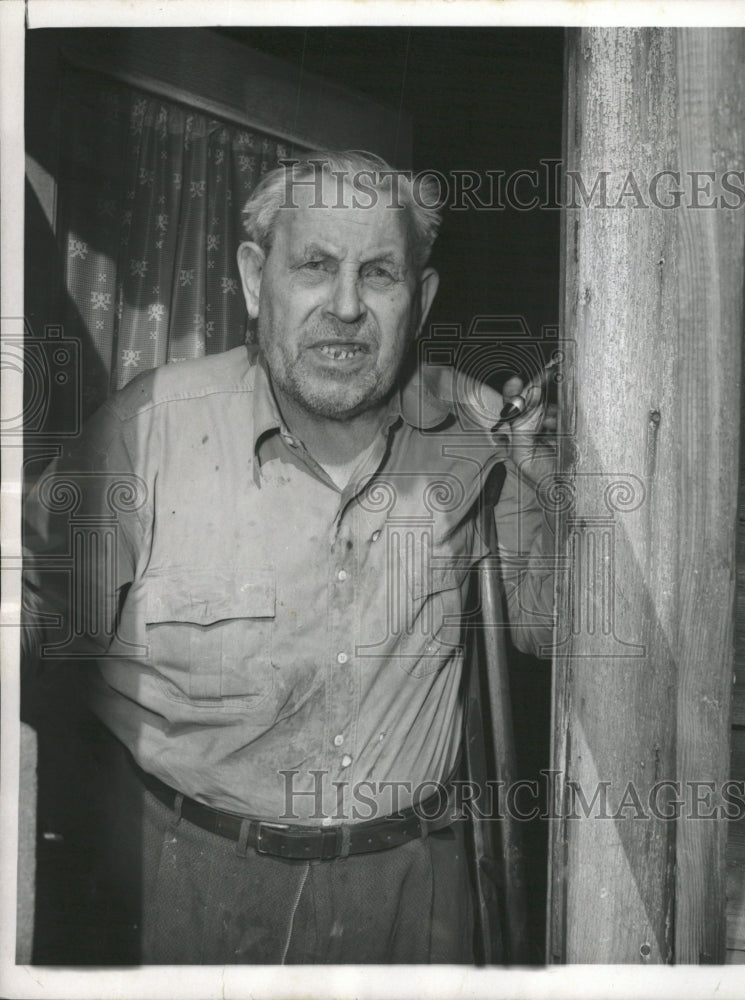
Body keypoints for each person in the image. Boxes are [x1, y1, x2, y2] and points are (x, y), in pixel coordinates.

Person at [22, 151, 556, 964]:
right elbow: (26, 621)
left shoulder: (479, 434)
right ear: (251, 276)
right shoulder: (148, 429)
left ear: (422, 300)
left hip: (413, 903)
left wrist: (550, 489)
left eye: (380, 273)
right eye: (315, 265)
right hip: (182, 884)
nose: (346, 306)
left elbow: (552, 629)